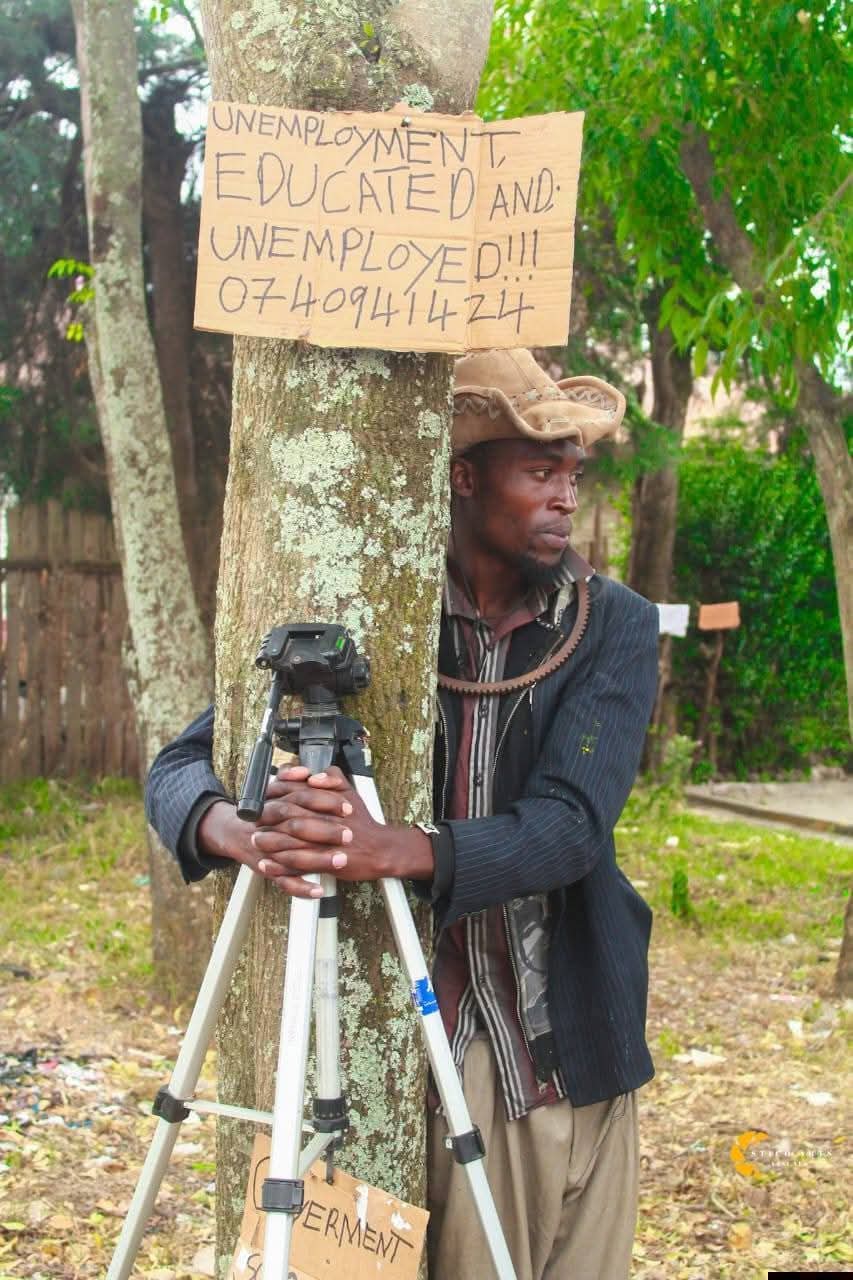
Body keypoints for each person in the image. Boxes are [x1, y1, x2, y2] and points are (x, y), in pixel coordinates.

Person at [145, 347, 659, 1280]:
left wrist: (396, 849)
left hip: (561, 1039)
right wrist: (242, 832)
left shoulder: (608, 622)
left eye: (571, 474)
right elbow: (180, 768)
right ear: (463, 477)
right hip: (421, 1053)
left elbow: (574, 825)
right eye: (538, 470)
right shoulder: (376, 607)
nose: (564, 497)